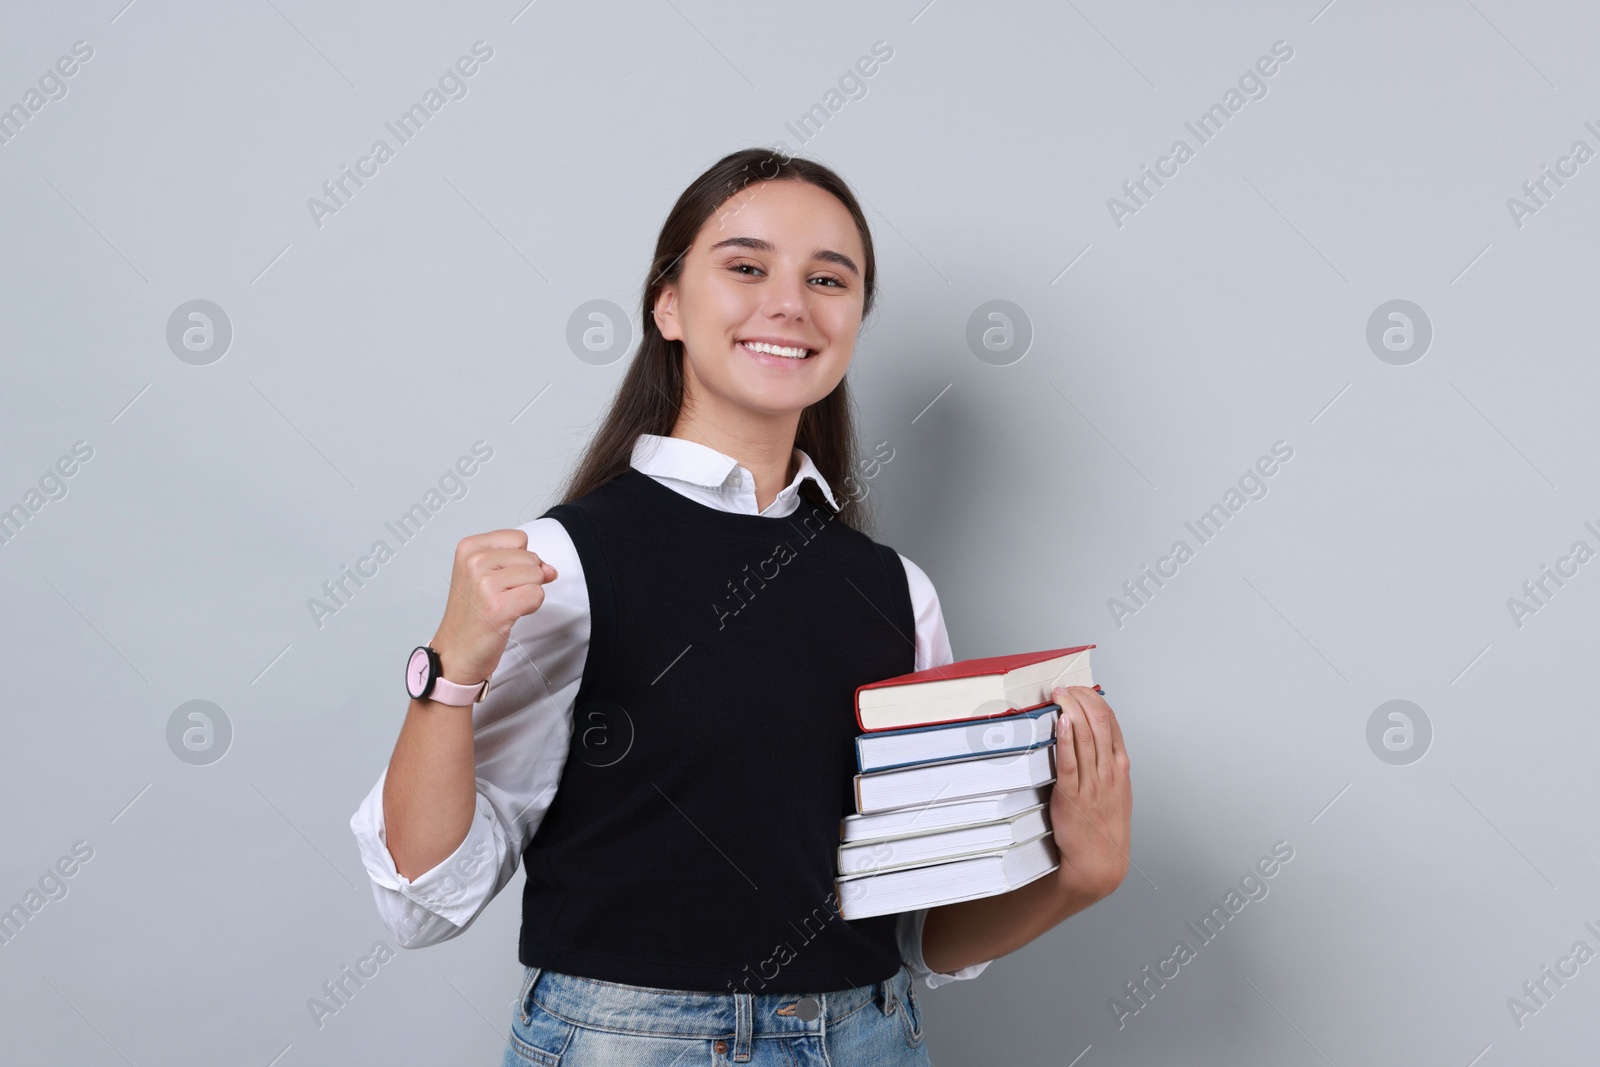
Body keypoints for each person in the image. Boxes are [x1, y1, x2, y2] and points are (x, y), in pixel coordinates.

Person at [349, 147, 1134, 1065]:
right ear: (669, 304)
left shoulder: (895, 591)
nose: (790, 303)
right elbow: (422, 900)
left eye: (829, 279)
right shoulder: (563, 564)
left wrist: (1079, 877)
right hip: (634, 1046)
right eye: (747, 267)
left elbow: (915, 933)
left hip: (868, 1037)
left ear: (853, 320)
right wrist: (447, 673)